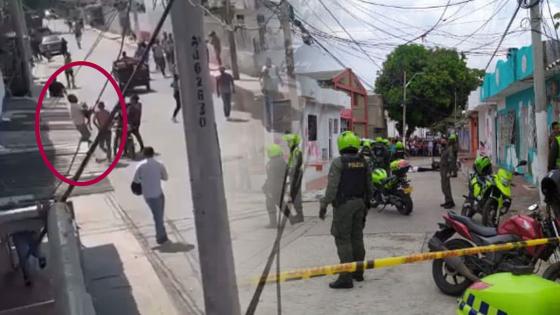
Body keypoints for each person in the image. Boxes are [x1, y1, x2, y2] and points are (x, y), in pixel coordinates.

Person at [319, 131, 372, 289]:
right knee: (357, 237)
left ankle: (345, 277)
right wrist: (367, 202)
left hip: (344, 206)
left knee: (343, 239)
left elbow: (332, 188)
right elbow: (370, 185)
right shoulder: (364, 162)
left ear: (341, 145)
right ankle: (358, 272)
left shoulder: (339, 162)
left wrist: (324, 204)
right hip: (360, 204)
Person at [133, 147, 169, 244]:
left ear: (144, 154)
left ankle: (163, 234)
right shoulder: (159, 165)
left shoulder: (140, 166)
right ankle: (160, 237)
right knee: (158, 216)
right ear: (153, 154)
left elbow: (136, 180)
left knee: (158, 215)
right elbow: (165, 177)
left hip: (147, 195)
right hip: (158, 193)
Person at [263, 144, 287, 228]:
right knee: (280, 203)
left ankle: (273, 223)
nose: (267, 153)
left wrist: (267, 188)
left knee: (270, 204)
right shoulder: (282, 161)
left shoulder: (272, 163)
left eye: (268, 152)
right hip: (281, 186)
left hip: (274, 187)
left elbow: (271, 177)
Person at [284, 133, 304, 224]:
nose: (288, 143)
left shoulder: (296, 151)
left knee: (296, 196)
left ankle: (299, 217)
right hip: (294, 175)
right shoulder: (294, 151)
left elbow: (296, 165)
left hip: (296, 176)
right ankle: (299, 216)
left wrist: (290, 170)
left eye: (289, 141)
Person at [260, 57, 283, 131]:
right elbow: (262, 76)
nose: (268, 64)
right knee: (268, 108)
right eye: (267, 62)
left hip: (273, 90)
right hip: (267, 90)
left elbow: (277, 74)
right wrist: (262, 87)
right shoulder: (264, 69)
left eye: (269, 62)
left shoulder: (274, 68)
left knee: (273, 107)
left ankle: (271, 123)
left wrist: (281, 81)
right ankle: (269, 124)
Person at [439, 137, 455, 209]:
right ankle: (447, 201)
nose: (442, 142)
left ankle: (450, 202)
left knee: (446, 187)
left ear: (446, 141)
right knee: (444, 187)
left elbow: (451, 161)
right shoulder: (444, 149)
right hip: (443, 170)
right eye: (441, 141)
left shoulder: (449, 150)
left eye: (443, 141)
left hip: (446, 170)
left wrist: (449, 171)